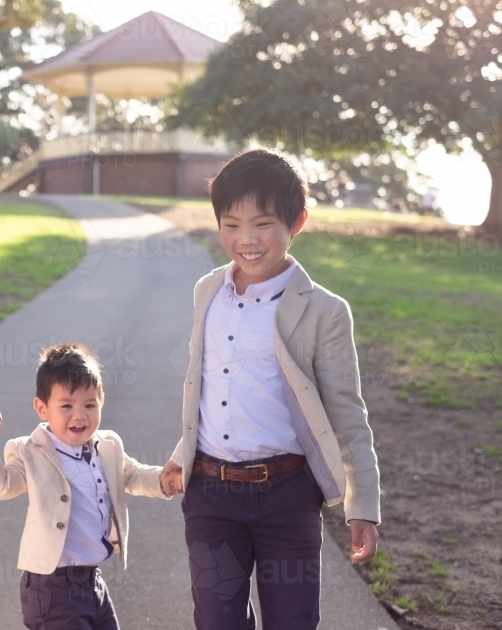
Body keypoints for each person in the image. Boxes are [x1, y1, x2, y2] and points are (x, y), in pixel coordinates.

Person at [160, 149, 380, 629]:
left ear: (297, 221)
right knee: (218, 621)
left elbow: (346, 412)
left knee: (293, 620)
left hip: (288, 494)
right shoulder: (207, 291)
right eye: (231, 224)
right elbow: (212, 385)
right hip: (211, 495)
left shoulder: (325, 311)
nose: (246, 240)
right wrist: (183, 453)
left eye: (262, 224)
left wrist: (363, 504)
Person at [0, 343, 174, 630]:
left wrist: (162, 480)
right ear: (42, 408)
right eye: (66, 406)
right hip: (51, 586)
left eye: (89, 405)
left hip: (92, 581)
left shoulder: (107, 446)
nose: (80, 415)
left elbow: (132, 475)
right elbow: (0, 486)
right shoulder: (29, 451)